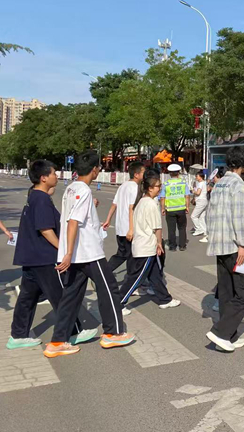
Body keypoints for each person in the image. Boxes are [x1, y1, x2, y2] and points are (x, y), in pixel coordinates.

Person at [45, 151, 134, 358]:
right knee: (109, 288)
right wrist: (69, 253)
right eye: (98, 168)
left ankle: (58, 341)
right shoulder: (84, 190)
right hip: (87, 252)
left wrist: (68, 252)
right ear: (94, 170)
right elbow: (73, 222)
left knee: (71, 296)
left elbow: (74, 217)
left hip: (76, 253)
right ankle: (113, 332)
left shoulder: (71, 188)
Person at [8, 160, 97, 350]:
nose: (57, 176)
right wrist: (62, 250)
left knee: (28, 297)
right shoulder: (40, 199)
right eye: (54, 173)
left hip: (31, 255)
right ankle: (73, 332)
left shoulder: (35, 195)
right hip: (44, 256)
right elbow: (46, 229)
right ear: (43, 178)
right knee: (61, 295)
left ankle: (18, 335)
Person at [205, 146, 244, 352]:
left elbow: (209, 214)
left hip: (220, 244)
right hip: (236, 247)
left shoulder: (219, 184)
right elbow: (240, 218)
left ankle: (229, 335)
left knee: (227, 291)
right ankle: (221, 332)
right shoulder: (238, 186)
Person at [119, 171, 181, 313]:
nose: (160, 188)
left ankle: (165, 299)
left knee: (155, 274)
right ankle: (119, 302)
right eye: (158, 186)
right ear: (150, 188)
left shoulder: (141, 201)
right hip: (146, 246)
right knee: (136, 277)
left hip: (142, 244)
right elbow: (157, 228)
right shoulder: (151, 204)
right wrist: (159, 243)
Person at [103, 161, 145, 272]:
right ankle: (106, 273)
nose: (144, 175)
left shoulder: (123, 185)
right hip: (128, 227)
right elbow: (131, 208)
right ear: (136, 175)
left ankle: (106, 272)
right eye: (143, 172)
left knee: (124, 253)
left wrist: (108, 219)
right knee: (128, 254)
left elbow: (114, 204)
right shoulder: (134, 187)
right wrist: (131, 229)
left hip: (120, 227)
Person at [159, 163, 191, 251]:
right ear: (178, 173)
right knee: (182, 228)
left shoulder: (166, 184)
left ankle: (172, 246)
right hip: (181, 208)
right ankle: (182, 245)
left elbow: (162, 197)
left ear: (170, 173)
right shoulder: (183, 183)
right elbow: (187, 196)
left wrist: (162, 208)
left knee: (171, 229)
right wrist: (187, 206)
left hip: (170, 209)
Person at [191, 171, 209, 243]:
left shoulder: (201, 183)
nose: (196, 177)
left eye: (197, 176)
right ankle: (205, 230)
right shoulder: (204, 183)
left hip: (201, 201)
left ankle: (199, 229)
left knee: (193, 216)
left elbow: (198, 193)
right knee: (201, 217)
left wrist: (193, 191)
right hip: (204, 201)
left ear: (200, 176)